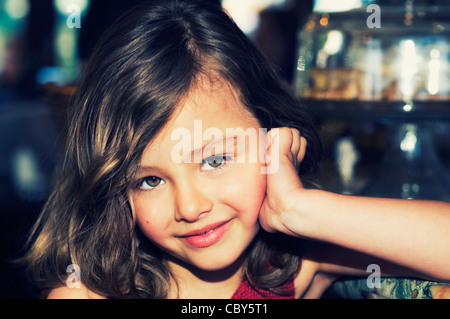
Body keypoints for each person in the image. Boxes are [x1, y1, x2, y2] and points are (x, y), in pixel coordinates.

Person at [21, 0, 450, 299]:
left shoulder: (296, 265)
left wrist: (300, 209)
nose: (189, 207)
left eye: (215, 159)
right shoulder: (85, 294)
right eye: (149, 180)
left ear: (268, 133)